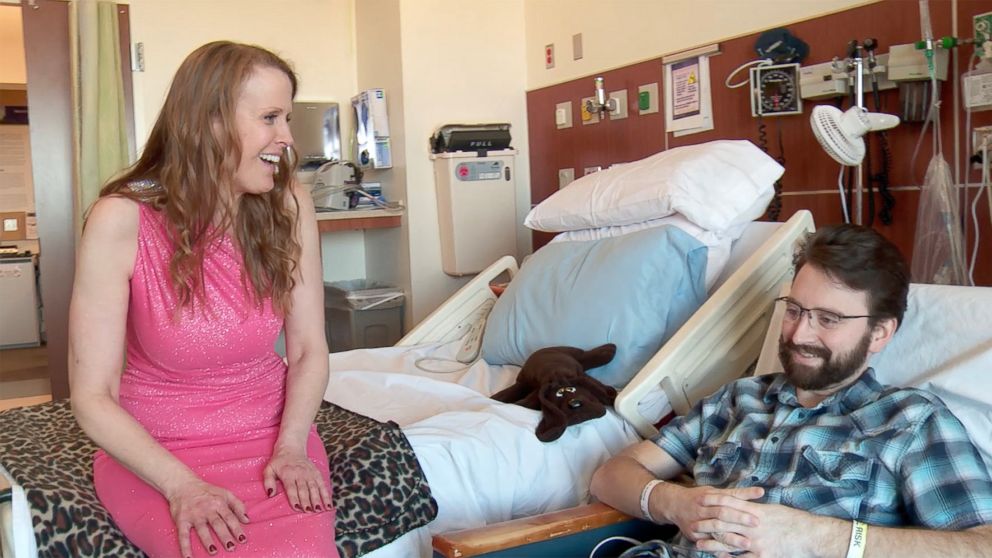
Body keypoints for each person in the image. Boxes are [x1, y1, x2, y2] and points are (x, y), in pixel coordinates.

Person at [68, 41, 338, 558]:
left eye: (287, 118)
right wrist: (182, 486)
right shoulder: (121, 220)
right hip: (159, 455)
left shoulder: (289, 204)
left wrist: (292, 447)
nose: (287, 139)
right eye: (270, 118)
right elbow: (93, 396)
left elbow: (308, 350)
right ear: (210, 123)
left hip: (273, 439)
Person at [591, 224, 992, 558]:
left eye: (828, 319)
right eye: (795, 310)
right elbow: (611, 477)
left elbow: (981, 546)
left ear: (880, 333)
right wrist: (674, 504)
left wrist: (818, 537)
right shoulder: (737, 400)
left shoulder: (909, 421)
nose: (800, 333)